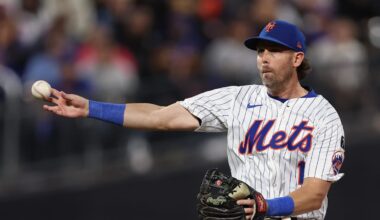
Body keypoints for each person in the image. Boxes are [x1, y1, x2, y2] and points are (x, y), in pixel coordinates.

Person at [42, 20, 345, 220]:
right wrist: (90, 108)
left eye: (274, 50)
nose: (263, 57)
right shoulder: (238, 98)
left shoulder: (324, 116)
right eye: (260, 50)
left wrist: (265, 206)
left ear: (296, 59)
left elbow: (314, 195)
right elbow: (161, 117)